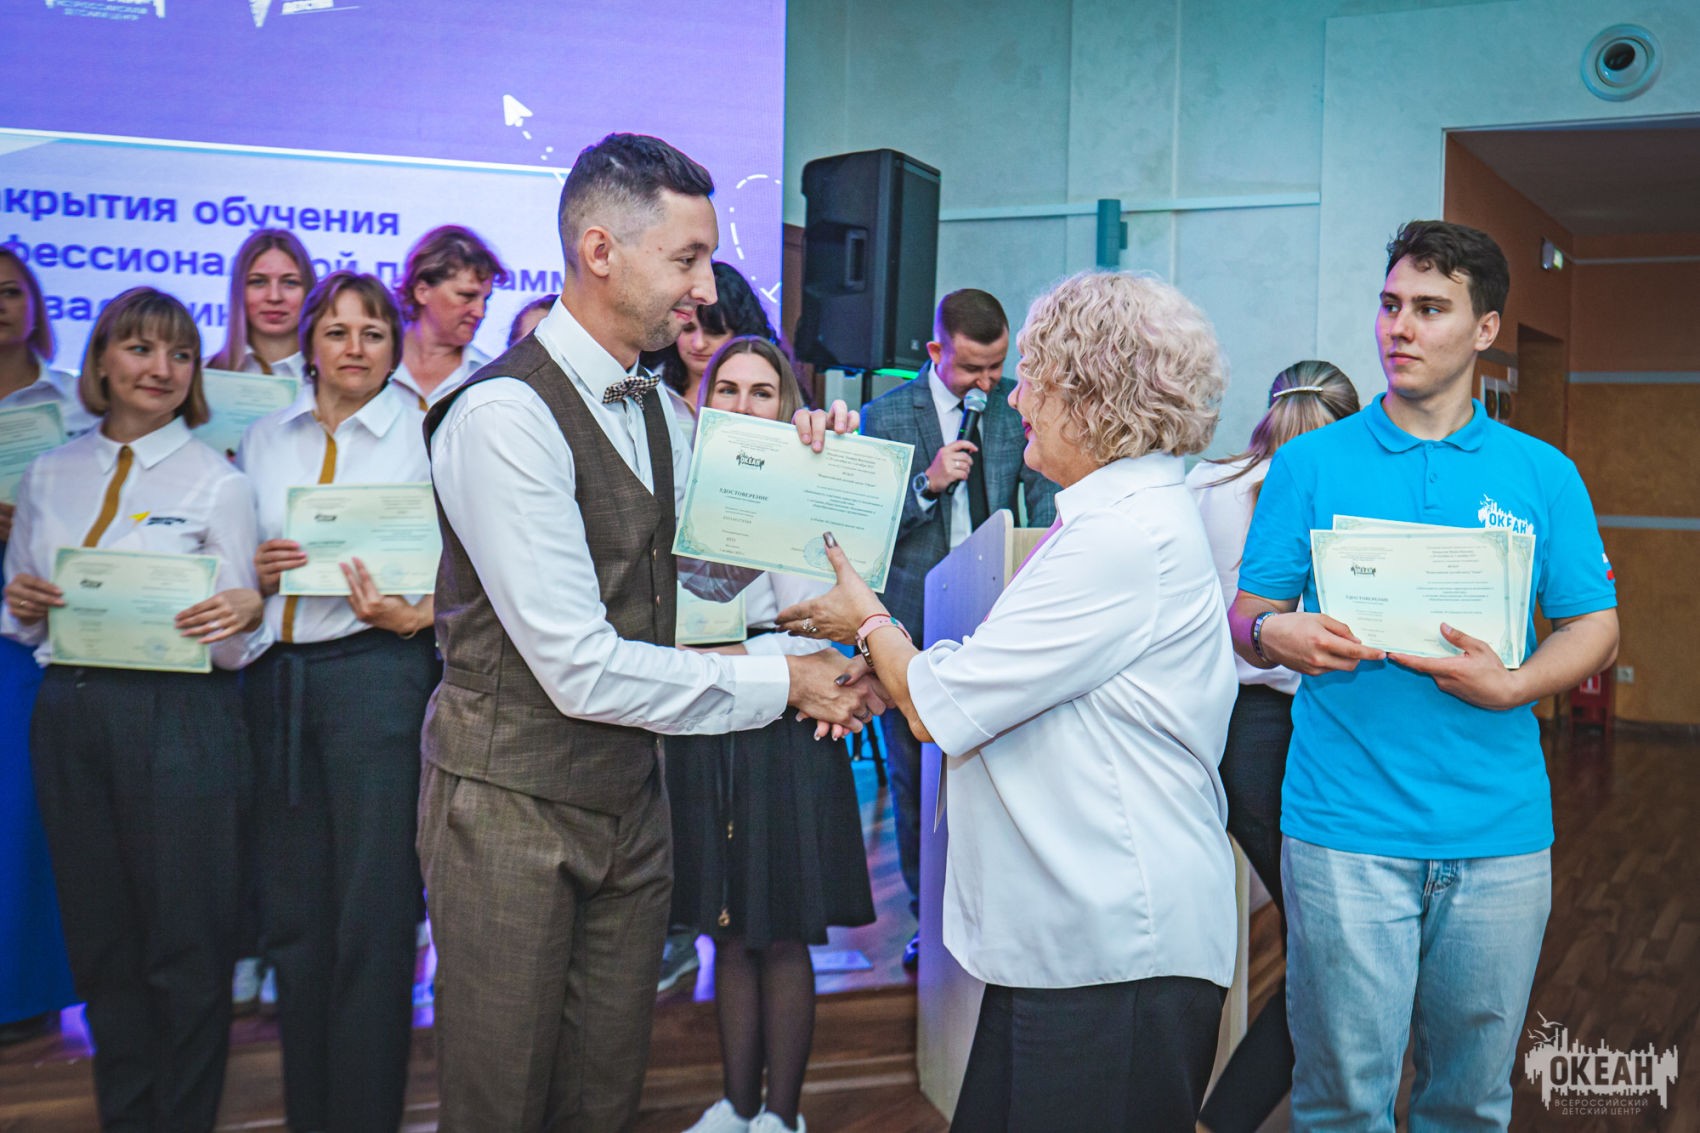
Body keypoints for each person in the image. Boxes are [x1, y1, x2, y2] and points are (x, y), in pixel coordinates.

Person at [418, 131, 879, 1131]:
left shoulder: (663, 413)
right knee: (503, 1101)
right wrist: (791, 681)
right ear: (600, 251)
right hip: (509, 809)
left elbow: (742, 592)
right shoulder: (503, 417)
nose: (706, 289)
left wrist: (817, 475)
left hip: (632, 803)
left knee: (603, 1095)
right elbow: (578, 669)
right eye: (687, 259)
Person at [780, 271, 1238, 1131]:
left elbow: (944, 707)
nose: (1017, 398)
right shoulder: (1118, 517)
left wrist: (869, 623)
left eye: (1036, 380)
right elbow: (1004, 669)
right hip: (1077, 938)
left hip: (1113, 948)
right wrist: (899, 663)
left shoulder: (1122, 535)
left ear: (1092, 398)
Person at [1231, 220, 1620, 1131]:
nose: (1399, 327)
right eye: (1390, 304)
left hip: (1498, 833)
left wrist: (1516, 684)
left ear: (1485, 329)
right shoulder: (1312, 463)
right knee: (1341, 1101)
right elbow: (1247, 616)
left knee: (1470, 1102)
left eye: (1430, 308)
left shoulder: (1543, 473)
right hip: (1343, 831)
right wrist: (1279, 632)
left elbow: (1595, 627)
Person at [2, 286, 270, 1129]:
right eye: (141, 348)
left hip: (184, 717)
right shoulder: (49, 473)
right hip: (73, 713)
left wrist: (241, 615)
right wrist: (19, 602)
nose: (162, 368)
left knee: (186, 945)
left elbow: (239, 645)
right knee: (103, 941)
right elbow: (21, 621)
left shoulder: (221, 482)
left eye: (180, 353)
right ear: (101, 360)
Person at [237, 272, 434, 1133]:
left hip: (379, 678)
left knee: (374, 918)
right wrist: (253, 569)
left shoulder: (427, 437)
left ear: (395, 348)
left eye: (373, 333)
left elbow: (467, 572)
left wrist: (414, 613)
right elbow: (230, 572)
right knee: (294, 923)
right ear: (310, 344)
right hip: (275, 684)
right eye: (337, 331)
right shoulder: (260, 440)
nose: (354, 348)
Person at [673, 337, 875, 1133]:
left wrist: (818, 467)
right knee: (727, 930)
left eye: (762, 391)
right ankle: (737, 1107)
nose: (743, 403)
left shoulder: (817, 470)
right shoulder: (679, 479)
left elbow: (835, 611)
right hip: (706, 711)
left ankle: (782, 1118)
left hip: (796, 715)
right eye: (728, 388)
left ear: (787, 402)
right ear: (705, 398)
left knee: (784, 930)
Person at [857, 287, 1058, 967]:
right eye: (972, 367)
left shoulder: (1011, 413)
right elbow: (868, 530)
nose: (987, 381)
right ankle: (928, 921)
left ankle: (993, 918)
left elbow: (1042, 505)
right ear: (935, 351)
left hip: (996, 618)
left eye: (997, 366)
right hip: (911, 624)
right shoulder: (886, 416)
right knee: (915, 783)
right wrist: (929, 484)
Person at [1185, 361, 1360, 1133]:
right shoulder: (1338, 496)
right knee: (1324, 963)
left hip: (1213, 733)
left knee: (1307, 953)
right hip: (1289, 736)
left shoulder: (1203, 484)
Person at [0, 248, 85, 1046]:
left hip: (37, 629)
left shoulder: (73, 401)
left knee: (23, 816)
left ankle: (24, 994)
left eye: (9, 290)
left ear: (35, 302)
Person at [643, 260, 779, 431]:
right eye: (688, 329)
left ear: (741, 333)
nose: (698, 344)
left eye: (714, 332)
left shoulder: (775, 385)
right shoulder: (645, 386)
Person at [391, 224, 510, 410]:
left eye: (485, 299)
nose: (480, 312)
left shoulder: (490, 378)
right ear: (422, 291)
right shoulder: (372, 363)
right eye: (467, 296)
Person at [206, 228, 317, 380]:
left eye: (290, 282)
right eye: (258, 282)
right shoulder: (201, 375)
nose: (274, 297)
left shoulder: (334, 380)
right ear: (239, 291)